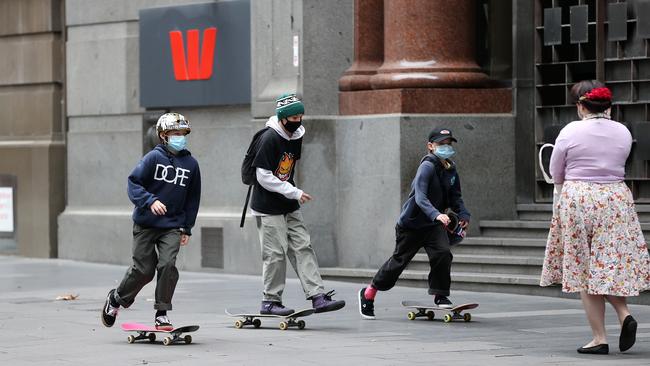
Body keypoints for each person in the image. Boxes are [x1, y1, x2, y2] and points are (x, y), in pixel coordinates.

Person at [540, 80, 650, 354]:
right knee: (608, 262)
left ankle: (599, 338)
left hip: (579, 196)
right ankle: (624, 314)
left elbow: (557, 171)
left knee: (583, 268)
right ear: (609, 106)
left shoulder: (571, 130)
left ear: (580, 106)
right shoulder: (623, 131)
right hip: (616, 197)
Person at [101, 112, 201, 330]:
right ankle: (117, 299)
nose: (180, 137)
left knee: (167, 265)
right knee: (143, 270)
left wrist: (187, 227)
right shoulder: (152, 158)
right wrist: (149, 201)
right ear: (163, 136)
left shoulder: (192, 164)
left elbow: (193, 199)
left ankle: (162, 312)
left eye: (183, 133)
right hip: (146, 224)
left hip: (173, 225)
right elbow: (133, 183)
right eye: (175, 133)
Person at [358, 127, 470, 319]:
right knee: (398, 262)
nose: (446, 147)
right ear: (430, 146)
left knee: (442, 254)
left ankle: (440, 295)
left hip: (433, 225)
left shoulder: (451, 169)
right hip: (412, 224)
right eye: (441, 144)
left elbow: (456, 197)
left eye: (448, 144)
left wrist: (464, 215)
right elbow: (420, 197)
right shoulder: (426, 166)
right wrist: (436, 214)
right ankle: (369, 293)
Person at [251, 93, 345, 315]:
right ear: (283, 118)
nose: (298, 121)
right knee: (275, 253)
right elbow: (263, 175)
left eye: (300, 116)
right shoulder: (269, 138)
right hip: (267, 205)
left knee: (303, 246)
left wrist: (292, 193)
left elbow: (288, 169)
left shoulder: (296, 135)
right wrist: (293, 191)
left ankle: (317, 296)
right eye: (293, 117)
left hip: (289, 202)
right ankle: (270, 301)